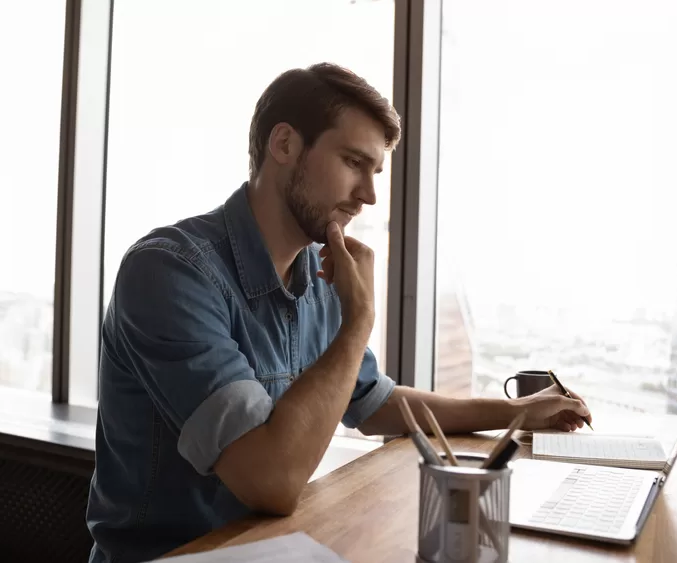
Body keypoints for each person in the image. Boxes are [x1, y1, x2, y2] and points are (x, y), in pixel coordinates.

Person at [85, 62, 592, 563]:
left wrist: (514, 413)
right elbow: (272, 481)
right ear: (283, 145)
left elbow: (375, 401)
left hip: (270, 551)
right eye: (354, 162)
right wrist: (359, 322)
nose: (369, 196)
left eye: (375, 173)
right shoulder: (169, 272)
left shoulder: (320, 277)